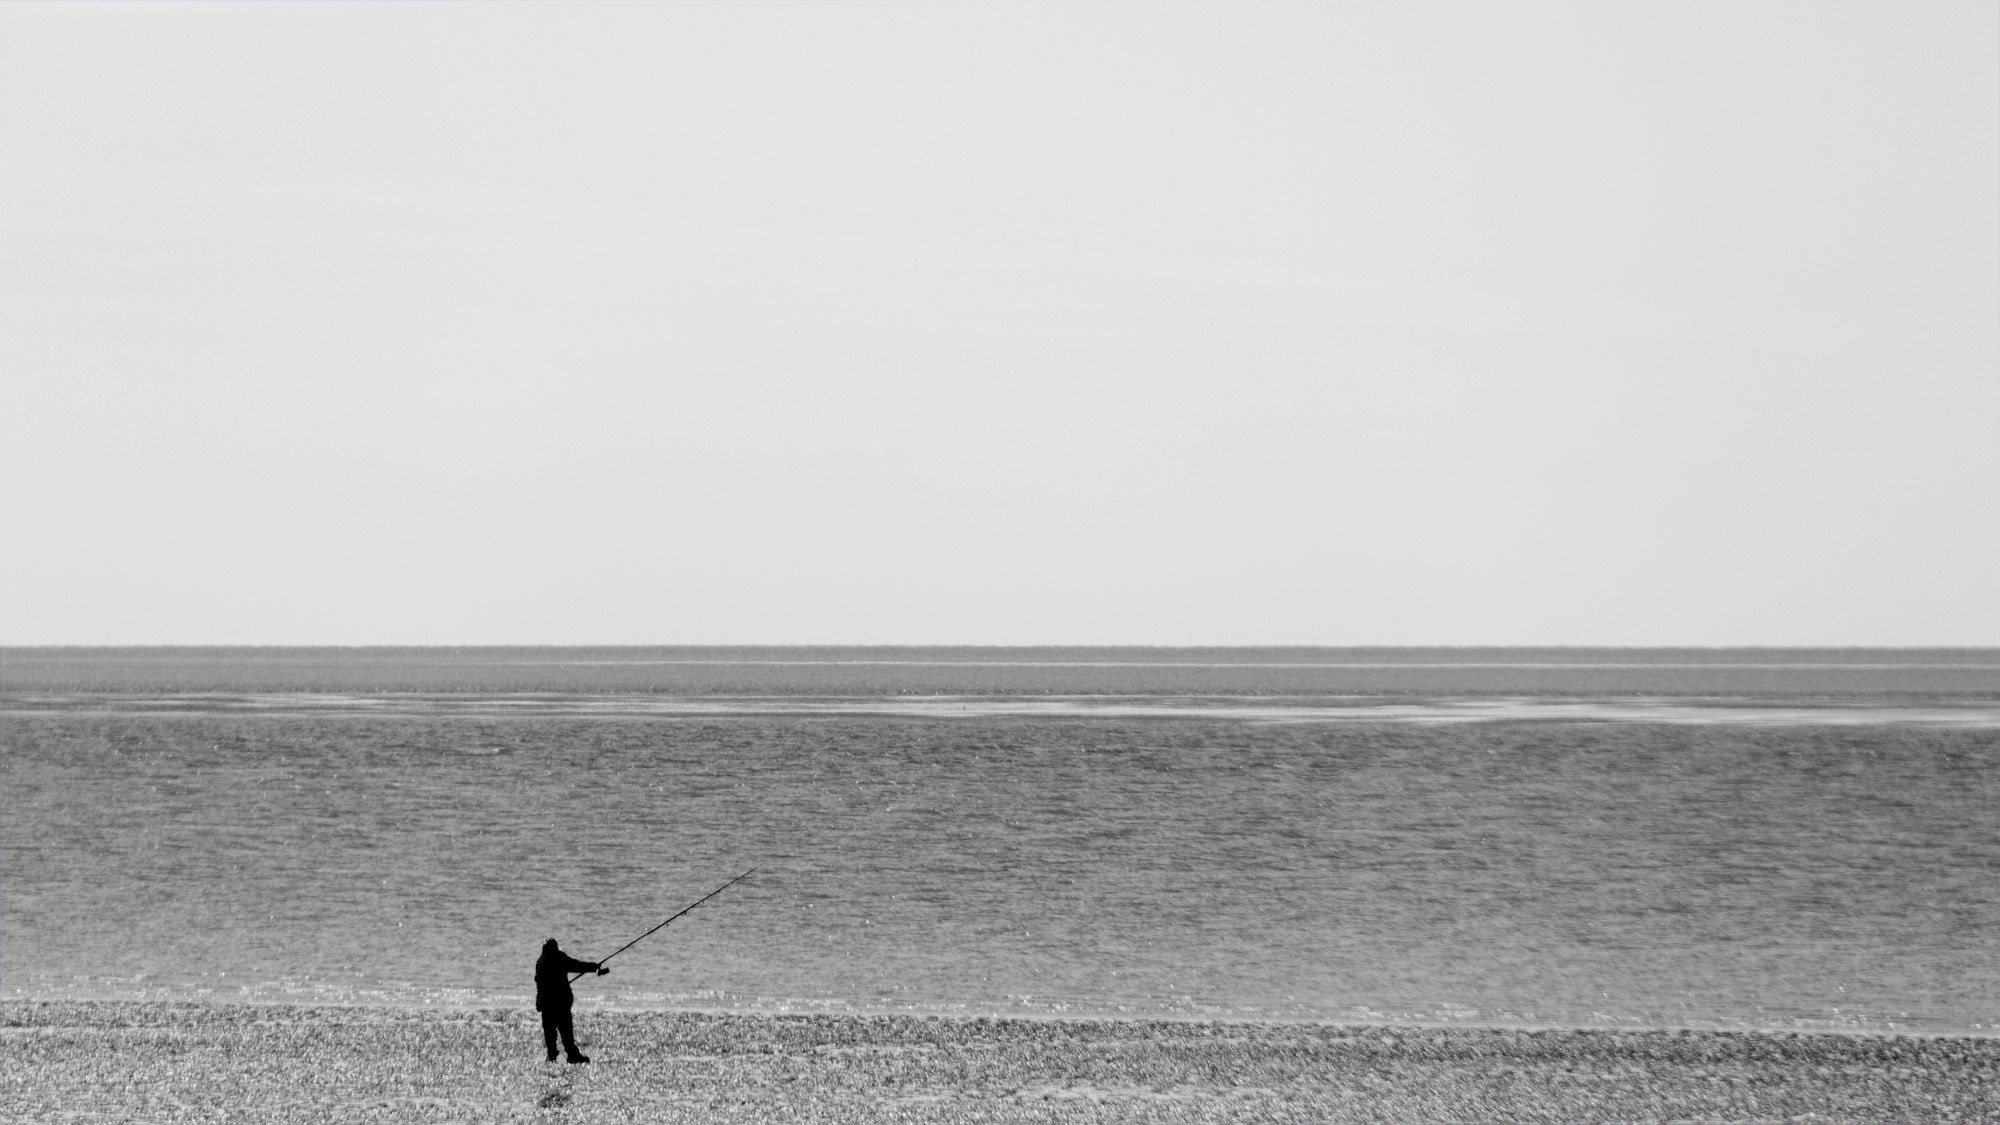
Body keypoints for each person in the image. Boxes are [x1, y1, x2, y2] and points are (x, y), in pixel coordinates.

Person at [535, 938, 608, 1063]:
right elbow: (577, 965)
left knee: (550, 1030)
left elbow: (539, 982)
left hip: (546, 1002)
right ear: (555, 947)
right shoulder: (558, 957)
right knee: (565, 1029)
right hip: (560, 1001)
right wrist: (594, 967)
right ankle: (571, 1055)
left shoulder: (541, 961)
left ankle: (552, 1055)